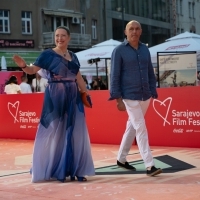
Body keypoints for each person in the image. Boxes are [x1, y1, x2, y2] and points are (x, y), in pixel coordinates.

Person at [13, 26, 95, 183]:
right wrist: (23, 66)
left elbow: (78, 77)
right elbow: (32, 70)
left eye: (63, 35)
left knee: (75, 133)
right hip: (55, 96)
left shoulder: (74, 56)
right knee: (52, 132)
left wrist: (85, 93)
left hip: (73, 97)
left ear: (69, 38)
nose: (59, 38)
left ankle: (76, 169)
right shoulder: (47, 55)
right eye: (57, 35)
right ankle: (51, 168)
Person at [109, 20, 162, 177]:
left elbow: (150, 73)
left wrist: (153, 90)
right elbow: (114, 75)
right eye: (131, 29)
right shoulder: (118, 51)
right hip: (129, 95)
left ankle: (121, 158)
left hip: (145, 95)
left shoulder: (145, 50)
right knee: (140, 127)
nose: (134, 31)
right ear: (125, 32)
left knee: (132, 126)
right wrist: (117, 99)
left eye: (137, 29)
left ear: (141, 31)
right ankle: (149, 165)